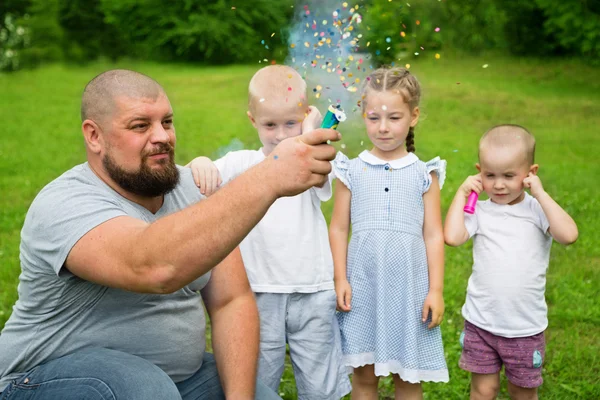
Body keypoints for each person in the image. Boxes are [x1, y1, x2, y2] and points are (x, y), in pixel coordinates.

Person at [0, 69, 341, 400]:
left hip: (177, 380)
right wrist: (268, 177)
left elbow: (230, 300)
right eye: (140, 125)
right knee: (143, 386)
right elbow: (151, 266)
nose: (162, 135)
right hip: (40, 380)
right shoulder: (65, 203)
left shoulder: (190, 189)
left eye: (167, 122)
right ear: (94, 136)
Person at [187, 65, 351, 399]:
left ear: (304, 117)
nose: (279, 135)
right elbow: (201, 177)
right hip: (259, 291)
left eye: (290, 123)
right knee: (259, 377)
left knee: (320, 382)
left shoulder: (312, 160)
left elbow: (321, 168)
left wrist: (309, 129)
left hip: (313, 289)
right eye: (269, 125)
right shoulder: (241, 163)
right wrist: (201, 162)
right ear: (253, 121)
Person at [329, 66, 449, 400]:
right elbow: (339, 228)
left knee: (408, 380)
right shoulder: (350, 169)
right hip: (363, 285)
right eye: (373, 118)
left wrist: (435, 290)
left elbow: (433, 235)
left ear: (413, 116)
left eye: (394, 118)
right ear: (363, 115)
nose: (382, 128)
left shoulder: (425, 174)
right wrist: (340, 278)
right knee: (364, 377)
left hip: (409, 289)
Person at [444, 124, 578, 400]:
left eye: (509, 175)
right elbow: (453, 237)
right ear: (479, 171)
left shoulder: (538, 210)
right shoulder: (480, 210)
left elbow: (569, 235)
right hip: (481, 322)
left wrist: (540, 194)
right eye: (490, 175)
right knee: (483, 390)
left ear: (531, 174)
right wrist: (460, 194)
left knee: (523, 392)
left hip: (524, 327)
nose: (499, 184)